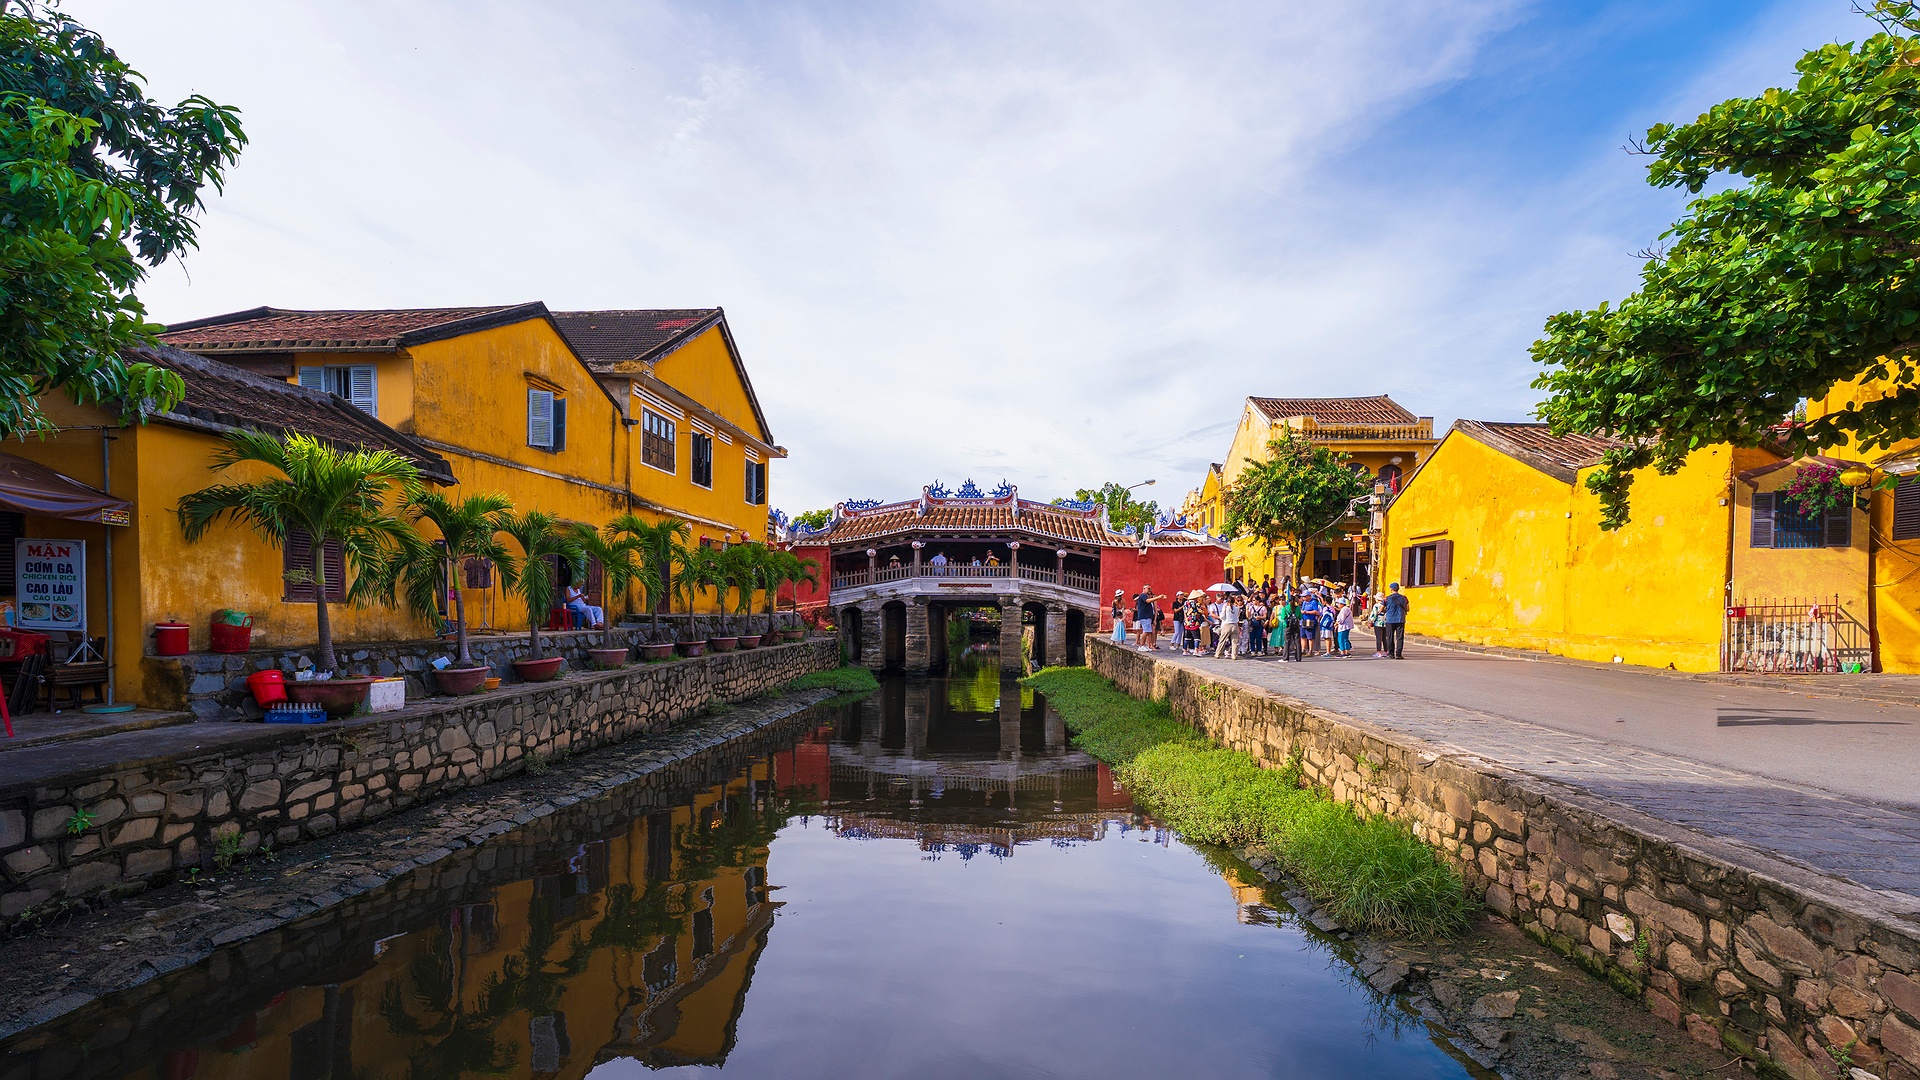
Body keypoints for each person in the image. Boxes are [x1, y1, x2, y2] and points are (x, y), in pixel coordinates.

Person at [1380, 582, 1410, 659]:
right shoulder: (1404, 598)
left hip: (1390, 620)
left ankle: (1391, 654)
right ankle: (1399, 654)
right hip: (1400, 619)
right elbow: (1408, 609)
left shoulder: (1387, 598)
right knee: (1400, 637)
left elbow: (1381, 609)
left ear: (1391, 589)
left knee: (1390, 637)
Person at [1134, 585, 1164, 652]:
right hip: (1145, 617)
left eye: (1150, 588)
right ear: (1144, 589)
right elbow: (1148, 601)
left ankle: (1144, 645)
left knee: (1148, 631)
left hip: (1147, 617)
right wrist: (1158, 597)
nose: (1150, 590)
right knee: (1146, 631)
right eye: (1148, 588)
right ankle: (1141, 645)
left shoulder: (1145, 596)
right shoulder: (1143, 595)